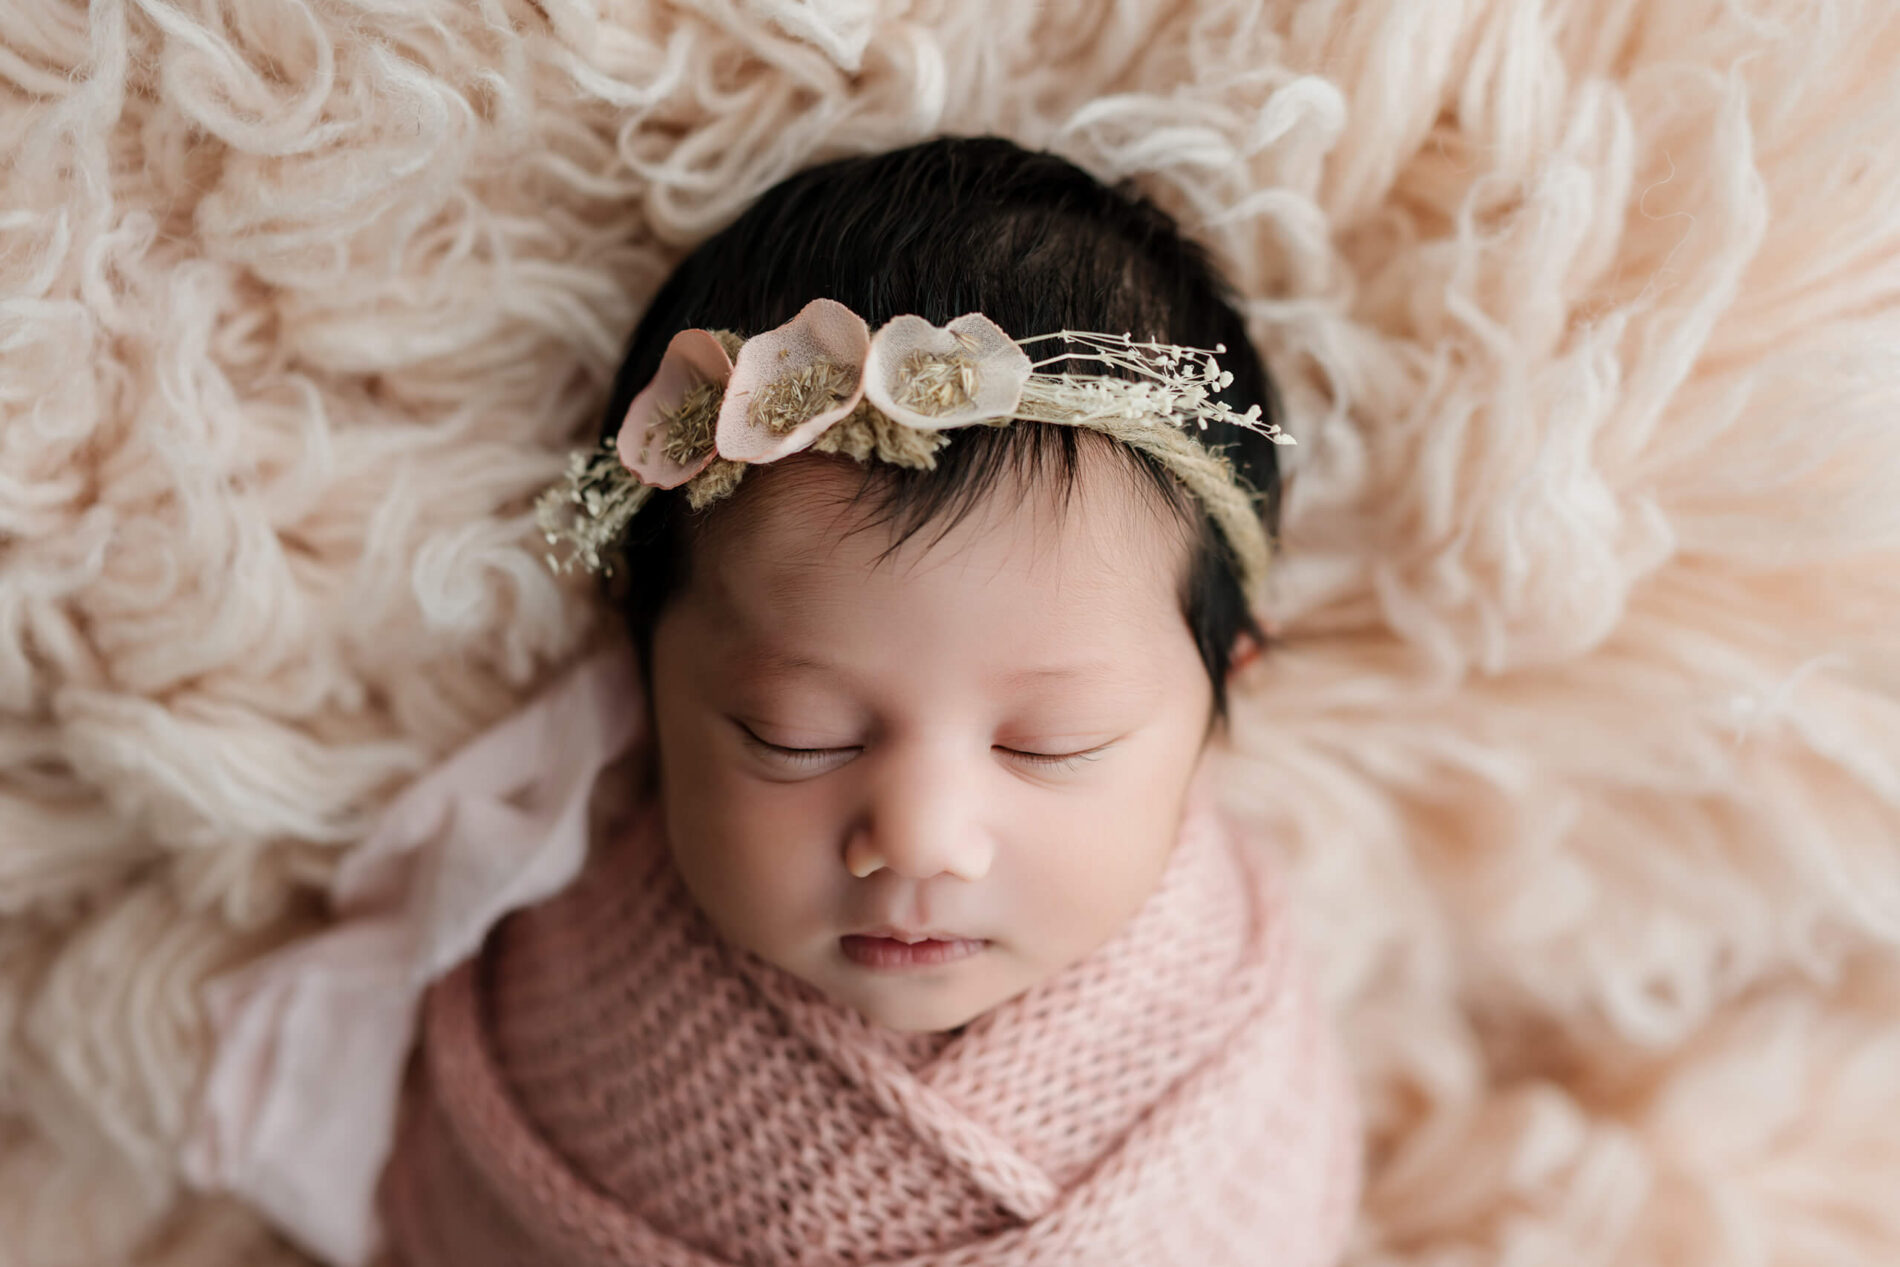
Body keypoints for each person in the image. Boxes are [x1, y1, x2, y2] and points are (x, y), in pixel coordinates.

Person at [182, 136, 1364, 1267]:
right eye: (798, 737)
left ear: (1222, 692)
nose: (917, 835)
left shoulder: (1234, 1051)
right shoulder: (566, 1007)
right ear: (642, 670)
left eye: (1048, 744)